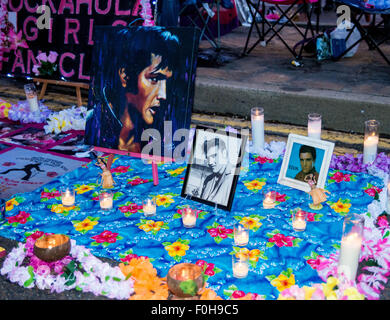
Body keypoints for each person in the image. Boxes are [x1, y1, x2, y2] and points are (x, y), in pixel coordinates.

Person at [85, 27, 180, 153]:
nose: (163, 95)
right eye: (154, 79)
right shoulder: (94, 124)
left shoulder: (162, 136)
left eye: (167, 82)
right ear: (125, 76)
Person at [192, 137, 234, 205]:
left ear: (224, 154)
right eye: (208, 158)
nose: (210, 162)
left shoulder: (233, 181)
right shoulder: (208, 180)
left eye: (214, 156)